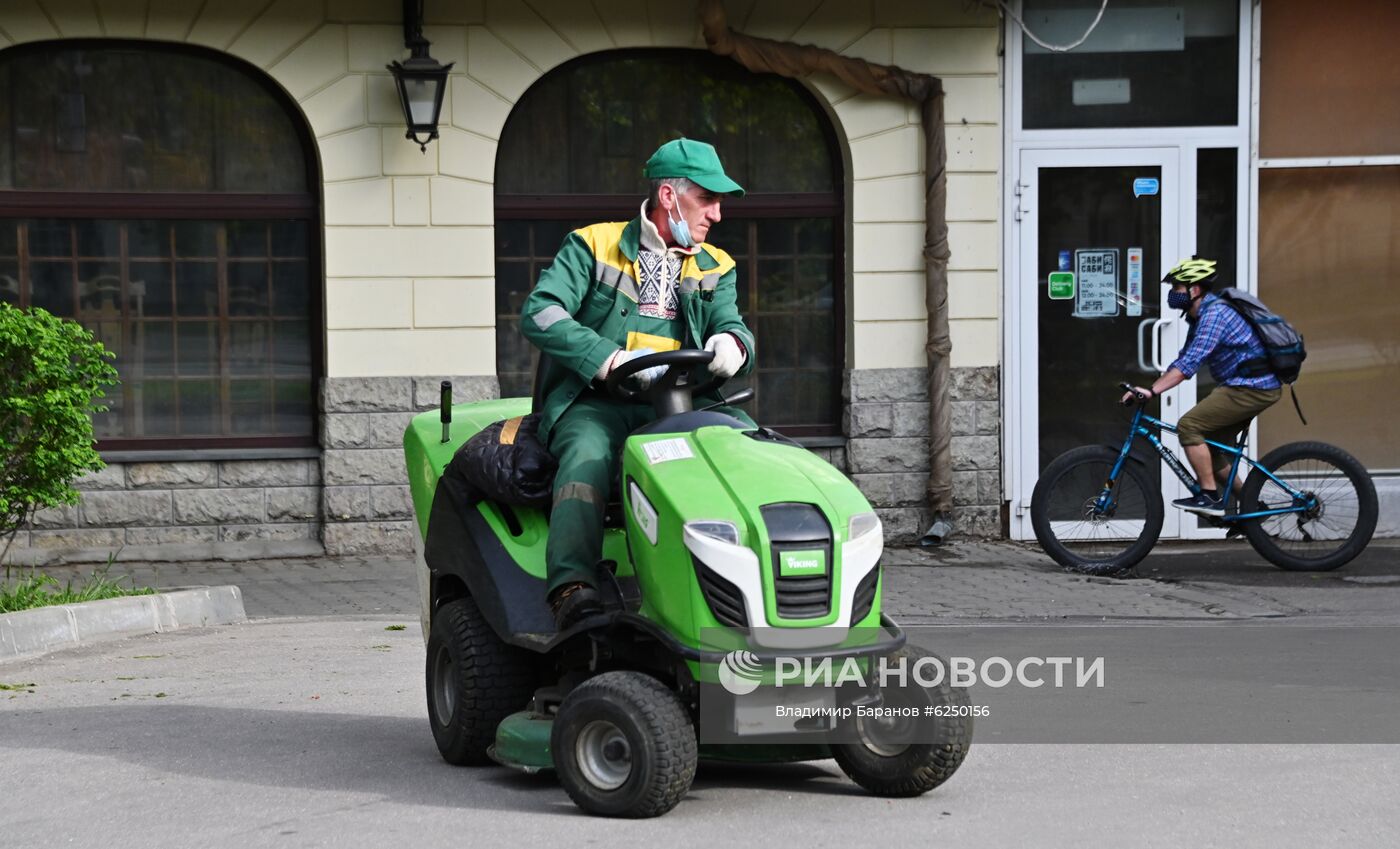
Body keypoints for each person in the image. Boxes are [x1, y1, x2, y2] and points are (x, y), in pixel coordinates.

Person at [519, 138, 757, 629]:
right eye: (707, 200)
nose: (717, 214)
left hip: (683, 404)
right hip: (596, 402)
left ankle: (747, 577)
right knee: (586, 454)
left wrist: (735, 345)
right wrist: (608, 358)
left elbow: (731, 323)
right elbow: (539, 312)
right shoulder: (591, 245)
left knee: (751, 446)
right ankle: (572, 587)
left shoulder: (716, 265)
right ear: (669, 196)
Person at [1122, 258, 1282, 516]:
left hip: (1252, 387)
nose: (1172, 294)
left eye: (1177, 288)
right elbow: (1184, 358)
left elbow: (1190, 365)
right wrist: (1152, 386)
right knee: (1210, 445)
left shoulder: (1214, 314)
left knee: (1189, 426)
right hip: (1243, 385)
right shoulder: (1199, 317)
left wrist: (1152, 391)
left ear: (1194, 290)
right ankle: (1251, 505)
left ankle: (1209, 497)